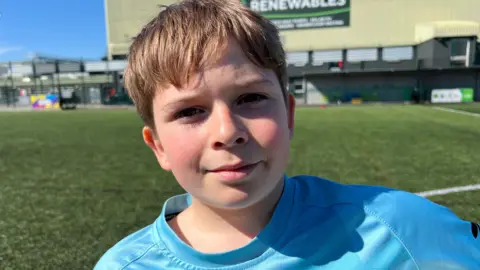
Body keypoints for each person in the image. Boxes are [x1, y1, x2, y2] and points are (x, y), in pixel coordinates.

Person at [94, 0, 480, 269]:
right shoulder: (123, 266)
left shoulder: (397, 227)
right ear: (157, 145)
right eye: (190, 111)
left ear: (289, 114)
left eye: (250, 98)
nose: (228, 132)